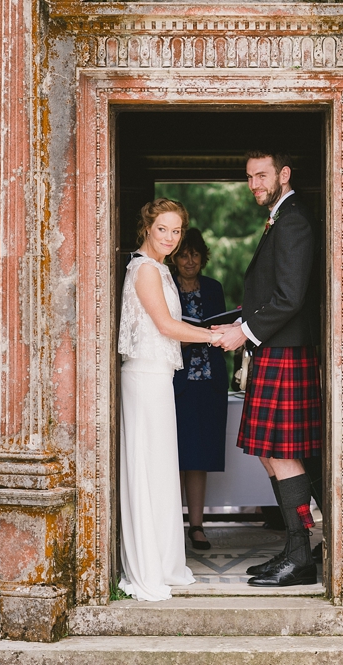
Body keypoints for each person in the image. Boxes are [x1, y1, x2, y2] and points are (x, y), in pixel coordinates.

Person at [214, 151, 322, 588]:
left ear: (284, 174)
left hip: (286, 350)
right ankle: (296, 547)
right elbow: (273, 292)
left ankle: (301, 556)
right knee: (268, 452)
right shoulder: (282, 215)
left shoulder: (293, 218)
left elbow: (291, 296)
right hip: (275, 347)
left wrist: (245, 333)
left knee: (281, 451)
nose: (254, 184)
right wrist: (239, 323)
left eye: (261, 175)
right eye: (249, 177)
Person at [117, 198, 222, 601]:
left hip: (159, 378)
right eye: (163, 229)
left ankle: (162, 562)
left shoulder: (158, 268)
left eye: (176, 231)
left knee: (161, 470)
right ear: (148, 227)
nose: (171, 237)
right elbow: (165, 325)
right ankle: (148, 566)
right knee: (148, 469)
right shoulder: (144, 268)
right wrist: (216, 335)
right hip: (143, 378)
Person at [170, 228, 229, 551]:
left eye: (194, 254)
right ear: (174, 258)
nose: (189, 260)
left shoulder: (213, 288)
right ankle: (169, 526)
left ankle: (196, 526)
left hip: (209, 383)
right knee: (171, 455)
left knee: (199, 458)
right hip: (176, 383)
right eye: (183, 254)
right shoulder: (166, 286)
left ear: (202, 257)